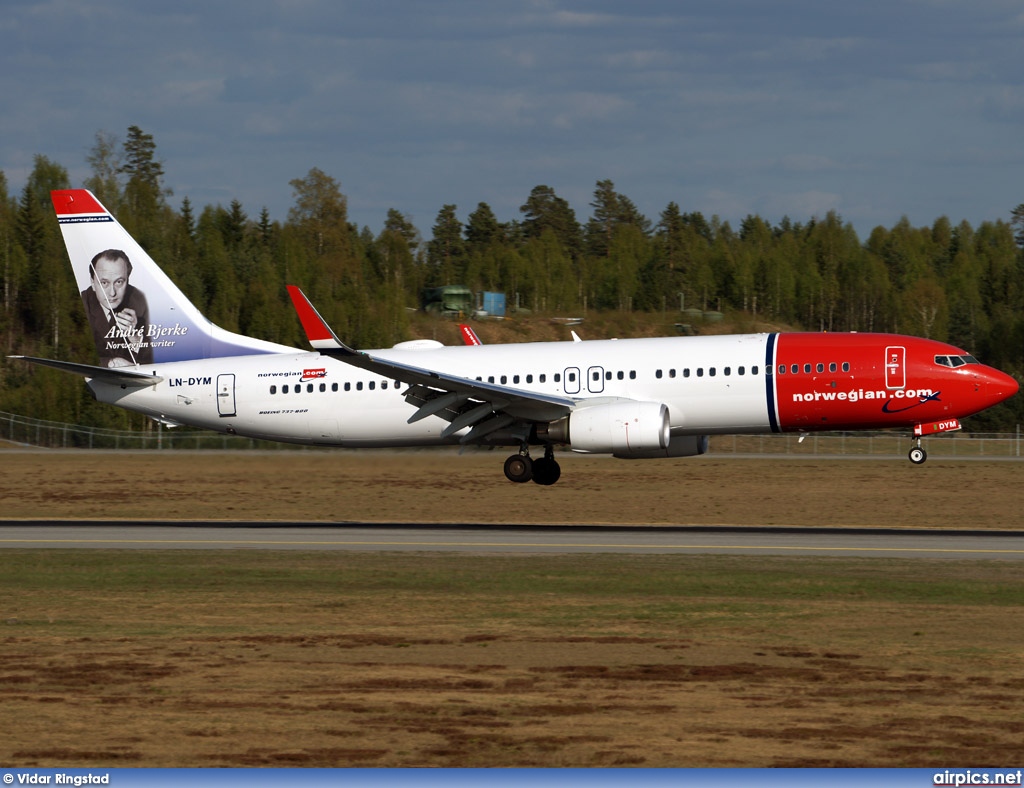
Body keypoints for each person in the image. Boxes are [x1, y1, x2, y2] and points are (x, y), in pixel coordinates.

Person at [81, 249, 153, 367]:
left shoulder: (140, 302)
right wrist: (109, 363)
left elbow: (160, 358)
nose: (112, 293)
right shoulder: (82, 304)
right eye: (104, 283)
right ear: (93, 283)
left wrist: (136, 339)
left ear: (127, 280)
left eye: (119, 282)